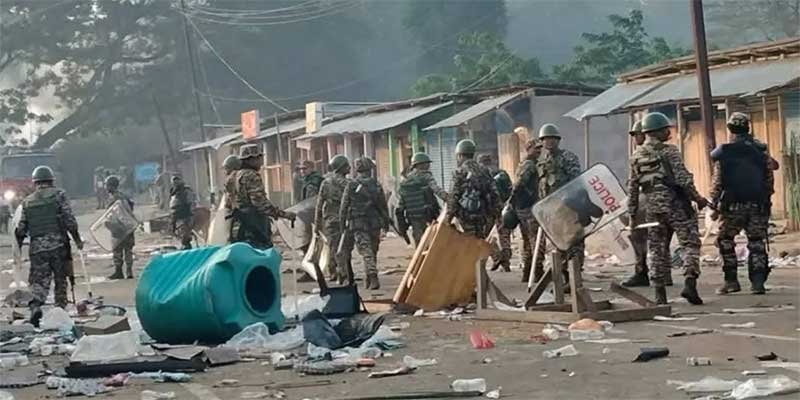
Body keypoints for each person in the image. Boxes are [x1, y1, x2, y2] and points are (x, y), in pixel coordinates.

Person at [628, 112, 708, 305]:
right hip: (676, 204)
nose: (668, 132)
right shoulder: (669, 151)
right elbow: (683, 179)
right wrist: (698, 199)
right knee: (690, 244)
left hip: (653, 208)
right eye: (665, 129)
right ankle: (690, 283)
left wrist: (632, 215)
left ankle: (659, 294)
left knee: (656, 249)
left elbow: (633, 188)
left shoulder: (636, 156)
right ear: (657, 131)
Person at [711, 112, 774, 295]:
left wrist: (714, 204)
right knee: (756, 242)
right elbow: (769, 181)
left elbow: (717, 183)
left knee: (725, 240)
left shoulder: (724, 152)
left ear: (730, 129)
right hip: (757, 204)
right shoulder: (761, 152)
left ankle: (731, 281)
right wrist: (765, 200)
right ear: (748, 128)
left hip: (732, 206)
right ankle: (758, 283)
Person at [15, 166, 83, 326]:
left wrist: (17, 250)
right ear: (51, 180)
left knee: (39, 281)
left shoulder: (27, 201)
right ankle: (59, 311)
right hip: (59, 245)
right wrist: (77, 239)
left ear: (35, 182)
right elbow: (69, 220)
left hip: (37, 249)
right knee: (60, 279)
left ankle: (35, 306)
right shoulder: (59, 195)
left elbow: (21, 229)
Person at [536, 123, 583, 287]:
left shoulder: (568, 157)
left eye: (552, 139)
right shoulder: (541, 161)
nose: (549, 142)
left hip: (568, 209)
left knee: (573, 245)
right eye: (546, 139)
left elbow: (576, 182)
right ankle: (563, 278)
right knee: (558, 246)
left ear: (558, 140)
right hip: (551, 211)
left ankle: (575, 280)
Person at [339, 157, 391, 290]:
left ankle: (372, 276)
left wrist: (342, 225)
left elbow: (344, 207)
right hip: (374, 223)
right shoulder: (376, 184)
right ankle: (370, 277)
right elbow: (383, 206)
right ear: (370, 170)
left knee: (366, 251)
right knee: (372, 251)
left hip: (358, 224)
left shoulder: (351, 185)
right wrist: (386, 223)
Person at [230, 144, 295, 250]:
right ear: (251, 159)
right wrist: (284, 214)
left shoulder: (234, 176)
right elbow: (260, 204)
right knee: (262, 255)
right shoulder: (251, 175)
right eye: (259, 158)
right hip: (254, 226)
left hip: (239, 225)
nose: (261, 162)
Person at [445, 139, 501, 241]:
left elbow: (453, 198)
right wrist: (496, 214)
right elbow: (495, 194)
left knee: (469, 243)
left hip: (465, 218)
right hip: (483, 216)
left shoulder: (459, 172)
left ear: (460, 155)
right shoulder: (485, 171)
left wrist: (448, 218)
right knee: (480, 241)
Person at [509, 138, 543, 282]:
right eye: (536, 148)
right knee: (537, 241)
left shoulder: (523, 163)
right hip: (529, 208)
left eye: (540, 148)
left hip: (523, 208)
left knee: (527, 241)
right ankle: (538, 272)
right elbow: (518, 185)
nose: (539, 151)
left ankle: (527, 272)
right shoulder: (529, 165)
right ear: (528, 149)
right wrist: (512, 201)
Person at [314, 155, 351, 283]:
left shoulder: (326, 182)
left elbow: (319, 205)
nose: (349, 168)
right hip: (345, 221)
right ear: (341, 167)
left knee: (333, 247)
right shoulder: (348, 184)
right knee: (343, 248)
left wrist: (317, 224)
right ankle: (342, 273)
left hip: (330, 220)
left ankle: (333, 272)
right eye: (346, 165)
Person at [397, 152, 448, 245]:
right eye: (427, 163)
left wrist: (402, 224)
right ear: (420, 165)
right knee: (433, 239)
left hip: (413, 216)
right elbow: (437, 190)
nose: (428, 166)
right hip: (428, 215)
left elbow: (401, 205)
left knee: (419, 241)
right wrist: (449, 199)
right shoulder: (426, 176)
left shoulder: (405, 181)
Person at [478, 153, 513, 272]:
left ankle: (497, 256)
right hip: (502, 208)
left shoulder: (482, 175)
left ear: (480, 163)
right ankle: (506, 261)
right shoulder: (502, 173)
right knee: (504, 236)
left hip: (488, 210)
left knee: (484, 235)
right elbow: (510, 190)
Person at [105, 175, 136, 280]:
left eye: (107, 185)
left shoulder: (115, 198)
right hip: (128, 226)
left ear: (112, 186)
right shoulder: (124, 196)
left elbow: (114, 214)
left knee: (118, 250)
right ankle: (128, 271)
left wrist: (111, 224)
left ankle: (119, 271)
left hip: (119, 227)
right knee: (128, 250)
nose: (106, 187)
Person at [170, 176, 196, 250]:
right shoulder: (173, 191)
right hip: (175, 212)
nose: (175, 183)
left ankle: (187, 242)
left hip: (185, 211)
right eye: (174, 182)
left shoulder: (186, 190)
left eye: (177, 181)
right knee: (175, 227)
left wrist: (191, 210)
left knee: (186, 228)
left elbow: (190, 200)